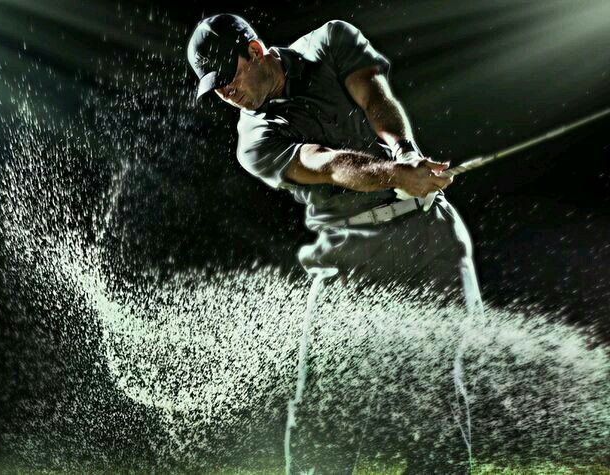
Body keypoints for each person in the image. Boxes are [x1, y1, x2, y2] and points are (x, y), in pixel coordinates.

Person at [187, 13, 483, 474]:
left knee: (439, 391)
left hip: (431, 238)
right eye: (216, 87)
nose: (226, 92)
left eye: (229, 76)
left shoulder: (330, 40)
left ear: (255, 50)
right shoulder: (253, 141)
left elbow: (374, 98)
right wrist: (396, 174)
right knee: (325, 401)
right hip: (352, 255)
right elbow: (325, 164)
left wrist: (406, 154)